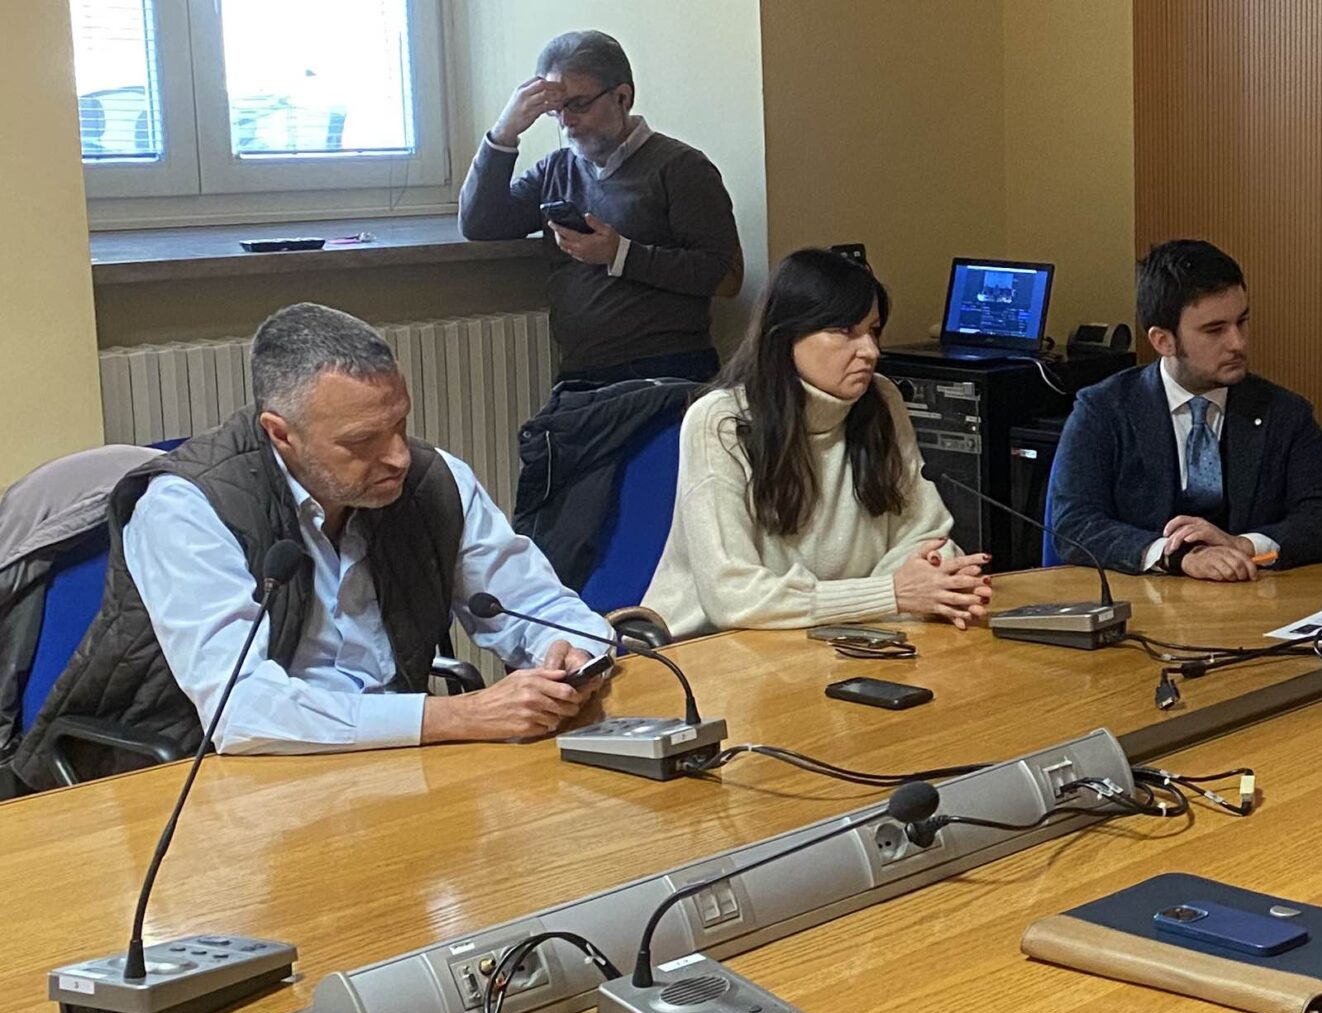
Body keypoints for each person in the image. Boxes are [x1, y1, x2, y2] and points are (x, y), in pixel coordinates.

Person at [7, 304, 615, 788]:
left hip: (393, 769)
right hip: (213, 784)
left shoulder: (433, 482)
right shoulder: (184, 508)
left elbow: (541, 606)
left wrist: (567, 654)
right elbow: (240, 712)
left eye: (400, 424)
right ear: (281, 435)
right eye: (363, 440)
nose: (398, 455)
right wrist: (456, 717)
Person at [643, 249, 990, 638]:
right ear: (787, 334)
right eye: (846, 331)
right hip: (713, 650)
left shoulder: (882, 400)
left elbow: (930, 540)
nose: (871, 351)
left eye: (873, 330)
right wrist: (889, 594)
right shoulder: (721, 421)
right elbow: (732, 597)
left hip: (841, 637)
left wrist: (914, 587)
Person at [1047, 239, 1322, 579]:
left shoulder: (1285, 413)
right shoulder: (1103, 410)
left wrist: (1243, 546)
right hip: (1142, 608)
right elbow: (1074, 524)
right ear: (1164, 341)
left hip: (1253, 606)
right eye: (1215, 330)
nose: (1238, 343)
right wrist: (1174, 555)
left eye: (1242, 322)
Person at [458, 30, 744, 385]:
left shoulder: (682, 167)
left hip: (667, 370)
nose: (566, 122)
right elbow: (479, 223)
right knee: (536, 441)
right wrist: (503, 133)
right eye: (556, 110)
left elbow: (725, 275)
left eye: (578, 105)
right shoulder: (556, 169)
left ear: (623, 97)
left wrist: (619, 254)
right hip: (582, 373)